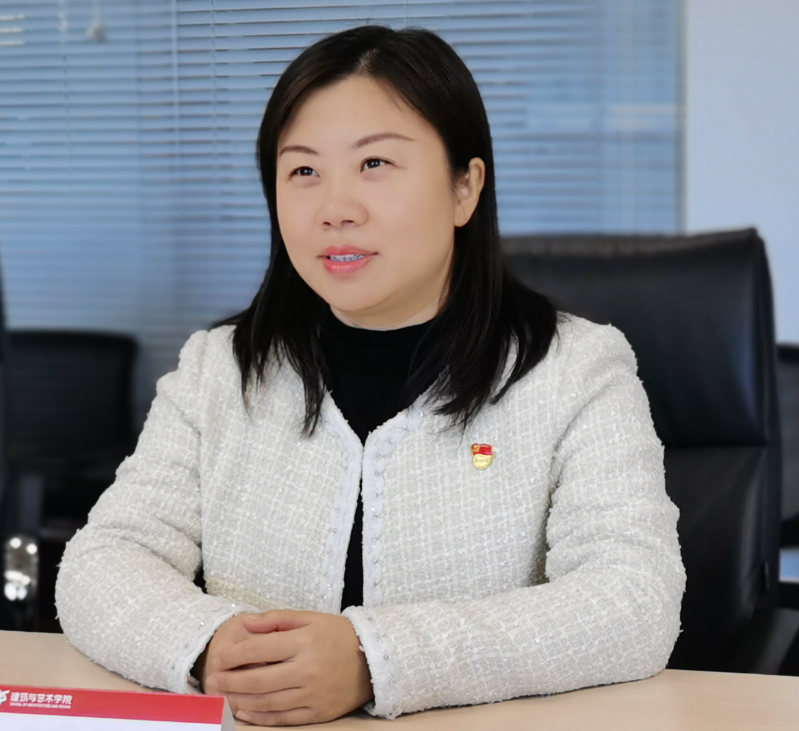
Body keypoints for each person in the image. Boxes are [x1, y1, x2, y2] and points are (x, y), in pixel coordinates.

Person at [56, 25, 686, 726]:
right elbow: (106, 557)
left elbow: (633, 599)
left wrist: (375, 659)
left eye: (375, 163)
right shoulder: (221, 368)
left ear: (464, 188)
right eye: (303, 172)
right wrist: (203, 643)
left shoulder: (574, 369)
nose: (335, 209)